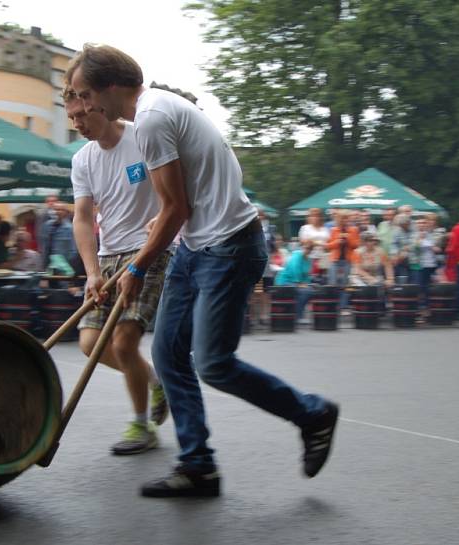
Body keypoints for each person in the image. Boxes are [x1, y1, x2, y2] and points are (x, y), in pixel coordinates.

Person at [69, 44, 338, 497]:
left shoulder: (151, 119)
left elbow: (176, 207)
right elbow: (183, 200)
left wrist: (136, 266)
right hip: (199, 247)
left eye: (85, 93)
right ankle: (198, 466)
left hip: (229, 247)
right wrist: (168, 220)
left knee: (213, 363)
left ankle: (312, 414)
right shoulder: (157, 111)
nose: (84, 105)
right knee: (170, 356)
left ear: (110, 87)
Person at [66, 88, 170, 455]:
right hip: (107, 256)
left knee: (124, 342)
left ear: (102, 107)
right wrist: (91, 271)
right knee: (90, 344)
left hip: (150, 251)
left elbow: (174, 188)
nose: (77, 124)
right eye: (71, 117)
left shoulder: (141, 136)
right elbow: (82, 218)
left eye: (82, 115)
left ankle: (141, 427)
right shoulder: (82, 159)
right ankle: (155, 380)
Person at [275, 240, 314, 322]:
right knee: (305, 292)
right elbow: (294, 271)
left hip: (297, 283)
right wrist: (300, 284)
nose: (307, 250)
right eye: (306, 248)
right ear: (302, 247)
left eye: (310, 249)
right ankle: (297, 316)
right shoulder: (297, 256)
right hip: (285, 281)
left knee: (311, 290)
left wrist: (308, 284)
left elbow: (307, 276)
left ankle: (299, 314)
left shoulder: (309, 260)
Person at [326, 210, 359, 308]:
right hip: (335, 260)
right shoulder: (333, 230)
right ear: (339, 219)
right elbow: (328, 246)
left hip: (347, 260)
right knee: (332, 283)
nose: (345, 220)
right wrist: (338, 241)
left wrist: (348, 238)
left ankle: (343, 306)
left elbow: (356, 245)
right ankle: (332, 305)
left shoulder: (354, 230)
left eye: (347, 218)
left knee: (345, 284)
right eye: (343, 218)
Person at [44, 202, 80, 274]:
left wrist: (64, 263)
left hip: (64, 266)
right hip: (49, 266)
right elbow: (44, 245)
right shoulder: (48, 225)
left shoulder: (70, 228)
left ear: (66, 212)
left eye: (60, 210)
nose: (57, 212)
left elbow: (73, 250)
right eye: (55, 209)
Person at [298, 208, 330, 283]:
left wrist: (314, 242)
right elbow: (304, 242)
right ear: (309, 217)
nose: (315, 218)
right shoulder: (305, 228)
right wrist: (320, 243)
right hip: (310, 257)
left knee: (324, 280)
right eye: (312, 216)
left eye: (317, 216)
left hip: (324, 257)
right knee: (311, 279)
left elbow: (329, 242)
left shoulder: (325, 229)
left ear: (320, 217)